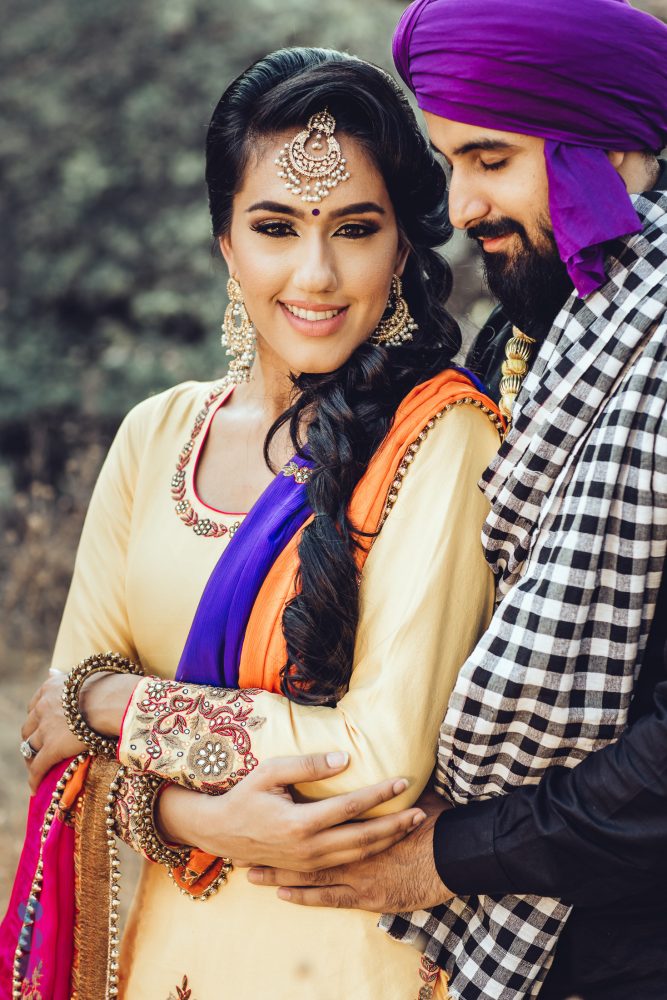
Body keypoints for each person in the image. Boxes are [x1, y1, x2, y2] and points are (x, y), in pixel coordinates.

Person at [2, 48, 504, 999]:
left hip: (348, 960)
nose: (315, 273)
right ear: (224, 243)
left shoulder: (444, 439)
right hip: (157, 952)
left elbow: (374, 762)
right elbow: (50, 744)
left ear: (401, 247)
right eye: (276, 226)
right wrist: (196, 820)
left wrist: (121, 707)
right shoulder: (156, 436)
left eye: (354, 228)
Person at [248, 3, 667, 999]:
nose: (464, 204)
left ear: (605, 151)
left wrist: (445, 855)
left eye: (489, 158)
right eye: (449, 164)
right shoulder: (522, 348)